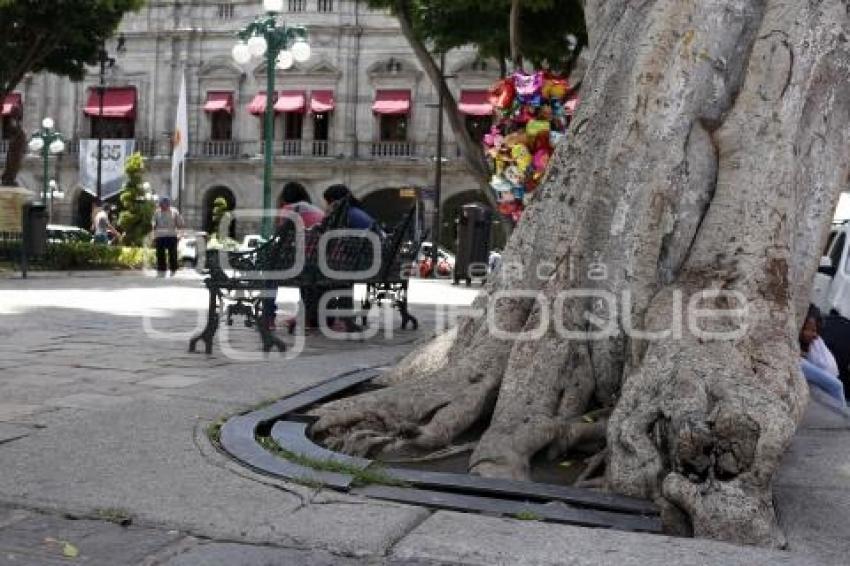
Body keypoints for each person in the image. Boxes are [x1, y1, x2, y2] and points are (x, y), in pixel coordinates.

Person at [262, 185, 326, 331]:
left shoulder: (289, 210)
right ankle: (305, 317)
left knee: (270, 273)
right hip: (318, 263)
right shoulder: (318, 212)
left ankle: (268, 318)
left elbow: (282, 239)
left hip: (301, 263)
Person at [321, 184, 377, 332]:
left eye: (328, 201)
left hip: (362, 263)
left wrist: (328, 215)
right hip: (372, 261)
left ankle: (328, 317)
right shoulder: (357, 212)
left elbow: (327, 233)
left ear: (335, 201)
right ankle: (342, 317)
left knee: (321, 271)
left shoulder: (346, 215)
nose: (327, 205)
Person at [800, 307, 847, 408]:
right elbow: (837, 386)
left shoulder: (815, 344)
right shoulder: (801, 358)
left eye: (815, 330)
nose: (815, 335)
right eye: (811, 330)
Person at [152, 196, 185, 277]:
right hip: (160, 236)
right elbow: (153, 225)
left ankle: (173, 269)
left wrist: (180, 235)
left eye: (165, 205)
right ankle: (161, 270)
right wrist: (153, 235)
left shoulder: (174, 212)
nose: (163, 207)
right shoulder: (157, 212)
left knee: (173, 253)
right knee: (160, 254)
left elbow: (180, 224)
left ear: (168, 204)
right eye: (162, 205)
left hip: (172, 235)